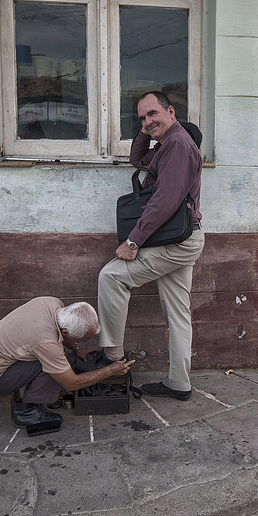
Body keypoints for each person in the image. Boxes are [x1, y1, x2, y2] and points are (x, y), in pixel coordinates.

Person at [86, 91, 204, 401]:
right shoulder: (167, 144)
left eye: (153, 114)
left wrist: (134, 240)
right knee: (178, 314)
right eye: (142, 117)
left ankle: (111, 357)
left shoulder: (177, 144)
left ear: (171, 111)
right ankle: (179, 383)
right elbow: (138, 160)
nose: (148, 121)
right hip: (180, 238)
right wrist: (146, 130)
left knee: (111, 277)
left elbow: (165, 200)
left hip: (176, 241)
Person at [0, 297, 134, 437]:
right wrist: (109, 371)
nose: (81, 342)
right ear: (65, 332)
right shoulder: (45, 340)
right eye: (83, 339)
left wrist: (76, 349)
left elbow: (60, 334)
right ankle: (26, 412)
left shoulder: (52, 303)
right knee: (52, 365)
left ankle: (55, 382)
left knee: (59, 356)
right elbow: (71, 383)